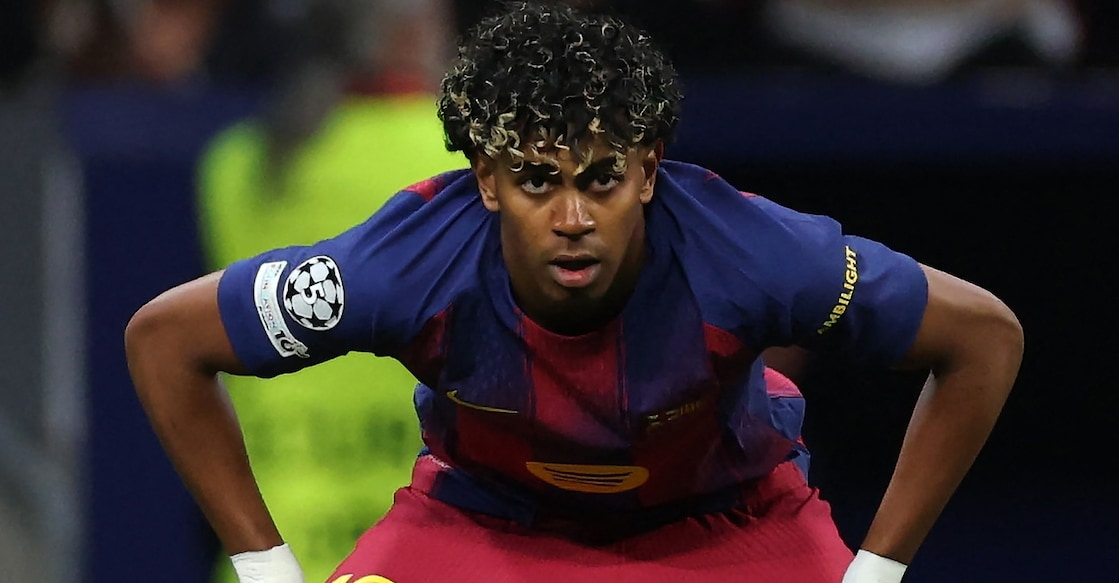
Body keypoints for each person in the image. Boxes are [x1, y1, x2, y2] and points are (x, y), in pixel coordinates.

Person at [124, 2, 1024, 582]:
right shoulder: (402, 260)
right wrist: (267, 570)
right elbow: (167, 339)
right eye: (534, 180)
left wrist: (878, 570)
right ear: (484, 181)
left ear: (646, 173)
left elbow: (981, 336)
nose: (569, 217)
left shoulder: (753, 251)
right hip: (483, 527)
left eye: (599, 180)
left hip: (728, 528)